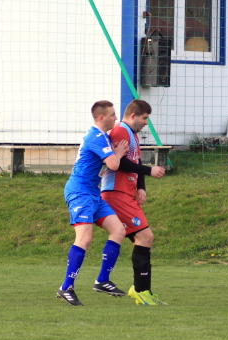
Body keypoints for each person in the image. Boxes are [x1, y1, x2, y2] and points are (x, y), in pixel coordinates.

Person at [57, 100, 130, 306]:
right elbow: (113, 165)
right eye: (113, 114)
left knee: (118, 230)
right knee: (84, 238)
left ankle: (102, 280)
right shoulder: (96, 136)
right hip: (79, 192)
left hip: (92, 193)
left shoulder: (103, 136)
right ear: (101, 117)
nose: (116, 118)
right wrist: (117, 154)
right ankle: (66, 287)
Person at [100, 100, 166, 305]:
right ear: (133, 116)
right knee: (145, 237)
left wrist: (141, 186)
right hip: (116, 192)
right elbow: (118, 163)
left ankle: (143, 291)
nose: (146, 122)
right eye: (144, 118)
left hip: (126, 193)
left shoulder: (132, 135)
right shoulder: (121, 131)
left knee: (144, 240)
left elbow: (135, 162)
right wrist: (149, 171)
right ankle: (140, 291)